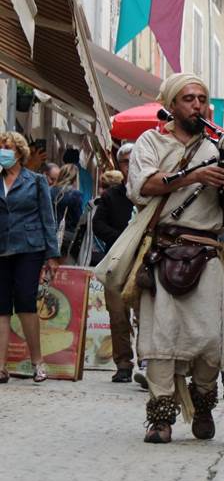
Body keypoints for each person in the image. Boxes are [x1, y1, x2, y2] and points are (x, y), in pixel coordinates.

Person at [97, 72, 224, 443]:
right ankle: (161, 418)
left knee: (210, 341)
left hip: (209, 254)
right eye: (188, 99)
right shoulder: (150, 141)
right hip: (163, 252)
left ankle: (203, 404)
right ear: (171, 105)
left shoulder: (220, 144)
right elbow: (142, 186)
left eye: (202, 98)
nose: (197, 105)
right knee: (160, 340)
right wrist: (193, 175)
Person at [0, 131, 60, 384]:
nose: (2, 150)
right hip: (1, 247)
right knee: (1, 307)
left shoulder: (35, 181)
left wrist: (52, 255)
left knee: (25, 301)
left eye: (7, 147)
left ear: (19, 152)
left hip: (29, 247)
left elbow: (48, 218)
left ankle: (38, 361)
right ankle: (0, 366)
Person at [93, 143, 136, 383]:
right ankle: (123, 363)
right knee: (118, 314)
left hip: (145, 261)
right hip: (116, 261)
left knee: (147, 314)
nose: (130, 165)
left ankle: (150, 362)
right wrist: (120, 239)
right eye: (125, 161)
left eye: (134, 160)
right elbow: (97, 224)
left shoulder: (150, 191)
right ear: (119, 165)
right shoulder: (111, 196)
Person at [50, 163, 84, 259]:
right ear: (74, 178)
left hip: (49, 236)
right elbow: (78, 218)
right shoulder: (75, 194)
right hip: (67, 236)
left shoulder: (49, 191)